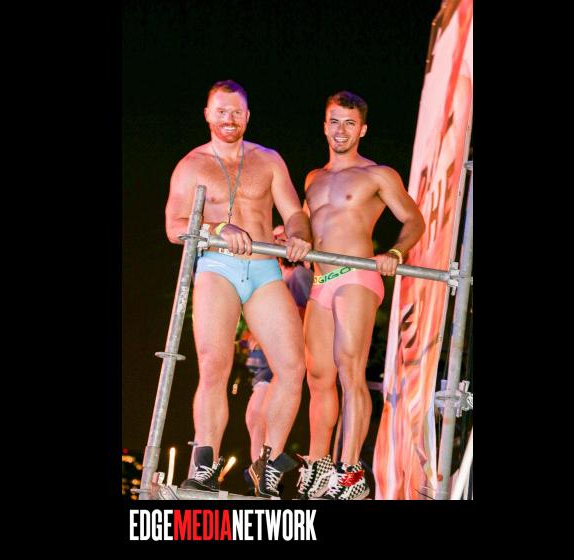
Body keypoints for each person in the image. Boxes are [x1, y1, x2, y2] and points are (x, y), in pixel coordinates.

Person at [165, 80, 312, 498]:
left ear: (247, 116)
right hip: (218, 266)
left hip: (263, 267)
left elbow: (294, 211)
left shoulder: (268, 159)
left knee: (293, 367)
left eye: (236, 111)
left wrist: (299, 235)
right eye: (221, 111)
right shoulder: (191, 165)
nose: (229, 118)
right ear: (207, 115)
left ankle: (269, 464)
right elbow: (174, 227)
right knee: (214, 363)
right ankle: (204, 465)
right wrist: (216, 228)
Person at [297, 91, 425, 500]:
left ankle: (349, 470)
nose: (341, 130)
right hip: (321, 279)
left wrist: (395, 253)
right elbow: (305, 222)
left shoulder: (378, 174)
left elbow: (414, 219)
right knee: (318, 376)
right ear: (324, 125)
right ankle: (319, 463)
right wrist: (291, 236)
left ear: (362, 130)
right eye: (335, 121)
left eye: (349, 123)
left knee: (348, 369)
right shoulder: (313, 178)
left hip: (357, 274)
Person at [241, 226, 313, 494]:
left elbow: (311, 314)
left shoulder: (298, 275)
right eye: (274, 237)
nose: (277, 240)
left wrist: (275, 322)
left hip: (281, 351)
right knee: (254, 415)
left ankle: (266, 473)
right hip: (263, 358)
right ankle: (259, 473)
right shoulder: (267, 275)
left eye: (283, 237)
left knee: (262, 412)